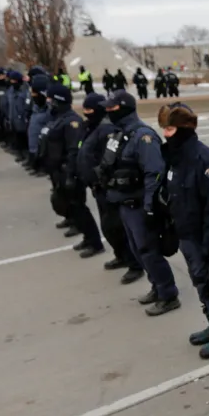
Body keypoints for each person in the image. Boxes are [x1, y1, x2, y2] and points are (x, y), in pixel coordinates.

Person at [158, 103, 209, 359]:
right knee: (200, 283)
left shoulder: (206, 161)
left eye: (169, 128)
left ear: (183, 129)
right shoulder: (175, 159)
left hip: (206, 239)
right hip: (186, 234)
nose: (165, 134)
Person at [101, 90, 181, 315]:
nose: (108, 112)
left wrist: (150, 206)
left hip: (139, 204)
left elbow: (154, 173)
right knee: (137, 249)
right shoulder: (120, 134)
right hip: (124, 203)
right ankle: (156, 286)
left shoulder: (143, 136)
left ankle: (168, 294)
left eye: (112, 108)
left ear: (124, 108)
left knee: (148, 250)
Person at [77, 93, 144, 285]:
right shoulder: (93, 127)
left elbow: (111, 159)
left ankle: (134, 263)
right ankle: (121, 256)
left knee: (118, 227)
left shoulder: (108, 129)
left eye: (90, 110)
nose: (86, 113)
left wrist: (104, 179)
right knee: (109, 226)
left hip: (109, 187)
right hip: (99, 185)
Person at [42, 85, 105, 258]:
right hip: (59, 170)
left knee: (79, 206)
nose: (48, 102)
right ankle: (87, 236)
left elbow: (73, 150)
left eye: (51, 99)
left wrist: (70, 174)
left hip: (70, 171)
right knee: (67, 204)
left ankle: (94, 241)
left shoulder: (72, 122)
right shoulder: (56, 118)